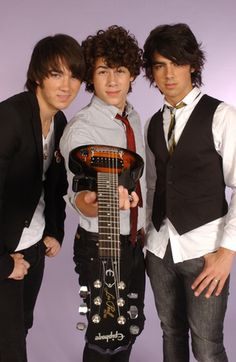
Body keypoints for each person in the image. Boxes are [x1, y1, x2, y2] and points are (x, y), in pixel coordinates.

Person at [143, 23, 236, 362]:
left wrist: (227, 253)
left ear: (193, 65)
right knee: (171, 334)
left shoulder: (222, 115)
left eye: (176, 62)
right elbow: (154, 184)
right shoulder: (153, 123)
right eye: (159, 65)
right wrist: (145, 233)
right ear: (152, 72)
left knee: (207, 346)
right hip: (159, 249)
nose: (168, 73)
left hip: (205, 252)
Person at [60, 25, 146, 362]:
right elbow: (79, 193)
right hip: (101, 247)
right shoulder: (81, 128)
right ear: (90, 78)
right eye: (102, 71)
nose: (112, 81)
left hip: (135, 242)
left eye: (120, 70)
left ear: (131, 76)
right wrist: (99, 202)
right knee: (104, 336)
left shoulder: (133, 116)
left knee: (127, 331)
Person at [0, 34, 85, 362]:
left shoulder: (59, 120)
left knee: (20, 327)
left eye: (74, 75)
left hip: (33, 245)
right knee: (10, 349)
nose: (67, 85)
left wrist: (55, 230)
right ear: (37, 75)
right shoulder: (9, 119)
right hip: (6, 249)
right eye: (56, 74)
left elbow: (55, 183)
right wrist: (4, 263)